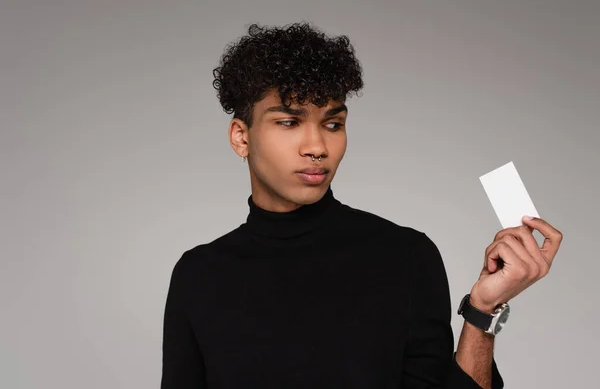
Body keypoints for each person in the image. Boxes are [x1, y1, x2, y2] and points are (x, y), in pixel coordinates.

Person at [161, 22, 563, 388]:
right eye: (288, 122)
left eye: (333, 124)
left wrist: (483, 311)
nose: (317, 147)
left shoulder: (406, 256)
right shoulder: (198, 276)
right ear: (241, 137)